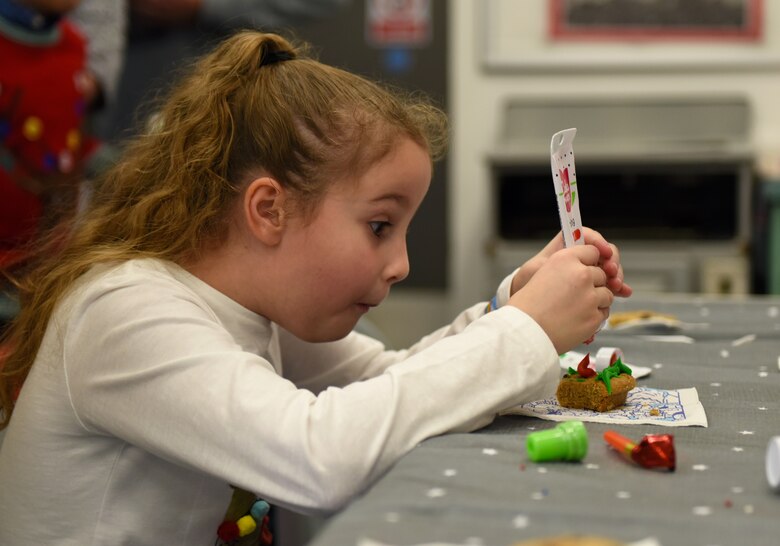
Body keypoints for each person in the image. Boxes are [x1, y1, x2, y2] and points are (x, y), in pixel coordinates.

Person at [0, 30, 631, 545]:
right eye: (379, 226)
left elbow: (394, 378)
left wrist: (511, 305)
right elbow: (317, 457)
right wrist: (524, 331)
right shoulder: (126, 313)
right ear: (269, 210)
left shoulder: (250, 307)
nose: (401, 265)